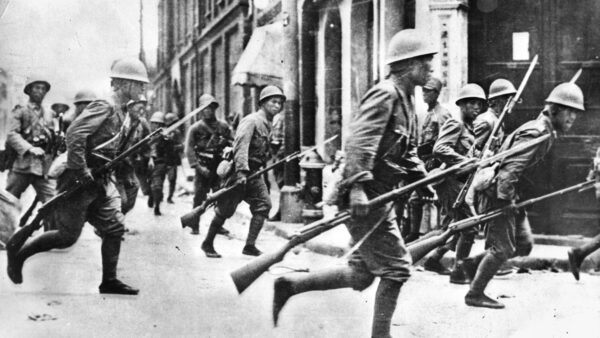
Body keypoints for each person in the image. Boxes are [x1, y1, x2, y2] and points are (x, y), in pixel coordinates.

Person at [272, 29, 435, 337]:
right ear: (408, 64)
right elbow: (360, 142)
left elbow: (407, 150)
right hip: (364, 196)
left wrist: (421, 179)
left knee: (361, 274)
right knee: (397, 270)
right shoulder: (385, 94)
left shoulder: (408, 101)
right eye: (425, 61)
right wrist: (358, 188)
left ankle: (289, 286)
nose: (430, 67)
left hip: (380, 197)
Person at [6, 57, 149, 295]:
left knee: (114, 228)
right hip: (78, 179)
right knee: (66, 236)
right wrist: (82, 170)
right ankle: (19, 255)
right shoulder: (105, 105)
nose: (142, 89)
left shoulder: (124, 112)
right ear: (124, 84)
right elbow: (74, 134)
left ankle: (109, 281)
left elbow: (114, 149)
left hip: (99, 179)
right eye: (138, 84)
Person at [462, 82, 584, 308]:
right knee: (503, 248)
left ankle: (472, 265)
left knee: (524, 243)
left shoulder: (544, 129)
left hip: (509, 193)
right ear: (554, 110)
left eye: (576, 113)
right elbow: (510, 172)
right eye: (569, 111)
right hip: (498, 193)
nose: (573, 118)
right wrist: (506, 201)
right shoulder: (536, 133)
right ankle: (475, 293)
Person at [201, 86, 284, 258]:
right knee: (225, 210)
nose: (277, 106)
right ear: (262, 103)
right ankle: (207, 243)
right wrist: (241, 173)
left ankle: (250, 246)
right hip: (240, 172)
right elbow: (241, 147)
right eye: (273, 102)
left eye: (280, 103)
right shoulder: (251, 120)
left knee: (264, 205)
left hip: (255, 173)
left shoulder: (267, 123)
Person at [423, 84, 486, 283]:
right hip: (449, 183)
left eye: (479, 104)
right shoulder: (455, 124)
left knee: (456, 227)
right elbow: (440, 148)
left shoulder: (470, 128)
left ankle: (433, 259)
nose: (477, 107)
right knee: (469, 228)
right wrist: (465, 161)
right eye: (472, 103)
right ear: (462, 105)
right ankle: (459, 272)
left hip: (459, 182)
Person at [398, 77, 452, 242]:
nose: (424, 94)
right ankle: (414, 233)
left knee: (435, 200)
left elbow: (447, 141)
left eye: (428, 91)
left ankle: (439, 233)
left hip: (435, 163)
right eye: (423, 91)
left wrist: (442, 165)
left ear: (436, 93)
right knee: (415, 199)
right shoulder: (425, 113)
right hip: (423, 162)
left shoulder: (442, 114)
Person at [184, 94, 233, 234]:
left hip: (219, 168)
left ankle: (218, 224)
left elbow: (232, 142)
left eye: (211, 108)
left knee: (221, 197)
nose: (208, 111)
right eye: (205, 108)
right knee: (199, 197)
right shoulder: (195, 128)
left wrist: (228, 153)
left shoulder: (223, 126)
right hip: (203, 167)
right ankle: (194, 224)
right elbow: (189, 150)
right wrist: (198, 167)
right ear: (200, 110)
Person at [6, 76, 56, 205]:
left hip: (42, 168)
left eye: (43, 89)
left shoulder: (49, 113)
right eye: (37, 88)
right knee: (7, 200)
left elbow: (51, 137)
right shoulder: (21, 110)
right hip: (23, 165)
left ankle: (52, 226)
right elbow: (12, 134)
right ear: (29, 90)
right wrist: (30, 148)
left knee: (52, 202)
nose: (40, 91)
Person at [114, 96, 151, 214]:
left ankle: (117, 218)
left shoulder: (142, 123)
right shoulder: (120, 121)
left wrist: (149, 158)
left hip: (129, 163)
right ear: (130, 107)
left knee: (134, 187)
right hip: (115, 163)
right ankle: (112, 222)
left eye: (143, 108)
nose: (142, 111)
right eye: (139, 108)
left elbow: (148, 141)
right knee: (121, 198)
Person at [473, 79, 516, 151]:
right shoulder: (486, 121)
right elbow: (472, 150)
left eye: (511, 97)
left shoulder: (498, 120)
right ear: (494, 100)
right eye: (506, 97)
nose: (510, 101)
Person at [268, 110, 285, 221]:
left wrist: (278, 154)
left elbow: (280, 139)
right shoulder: (275, 117)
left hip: (282, 155)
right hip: (277, 154)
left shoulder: (281, 117)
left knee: (282, 182)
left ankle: (282, 212)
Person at [164, 113, 183, 204]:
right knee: (160, 179)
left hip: (172, 159)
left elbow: (181, 145)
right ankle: (157, 197)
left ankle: (170, 197)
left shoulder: (177, 133)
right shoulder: (162, 132)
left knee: (172, 180)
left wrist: (176, 147)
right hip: (162, 159)